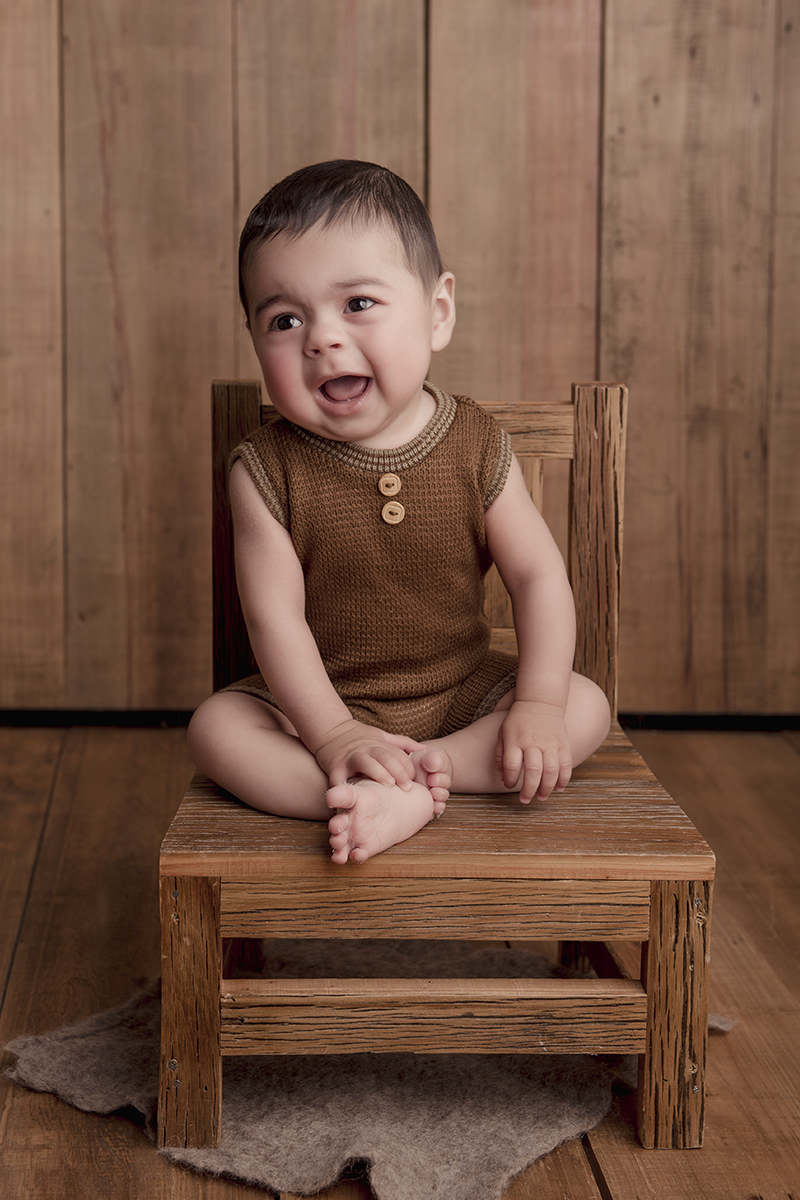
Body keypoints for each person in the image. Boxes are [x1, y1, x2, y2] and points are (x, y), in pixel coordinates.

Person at [188, 159, 611, 864]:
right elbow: (274, 619)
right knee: (217, 729)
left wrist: (537, 704)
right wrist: (333, 735)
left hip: (463, 691)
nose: (321, 339)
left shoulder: (475, 443)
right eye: (285, 320)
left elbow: (538, 576)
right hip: (320, 702)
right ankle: (373, 782)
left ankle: (412, 784)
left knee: (584, 705)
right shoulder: (264, 470)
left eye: (357, 304)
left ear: (437, 312)